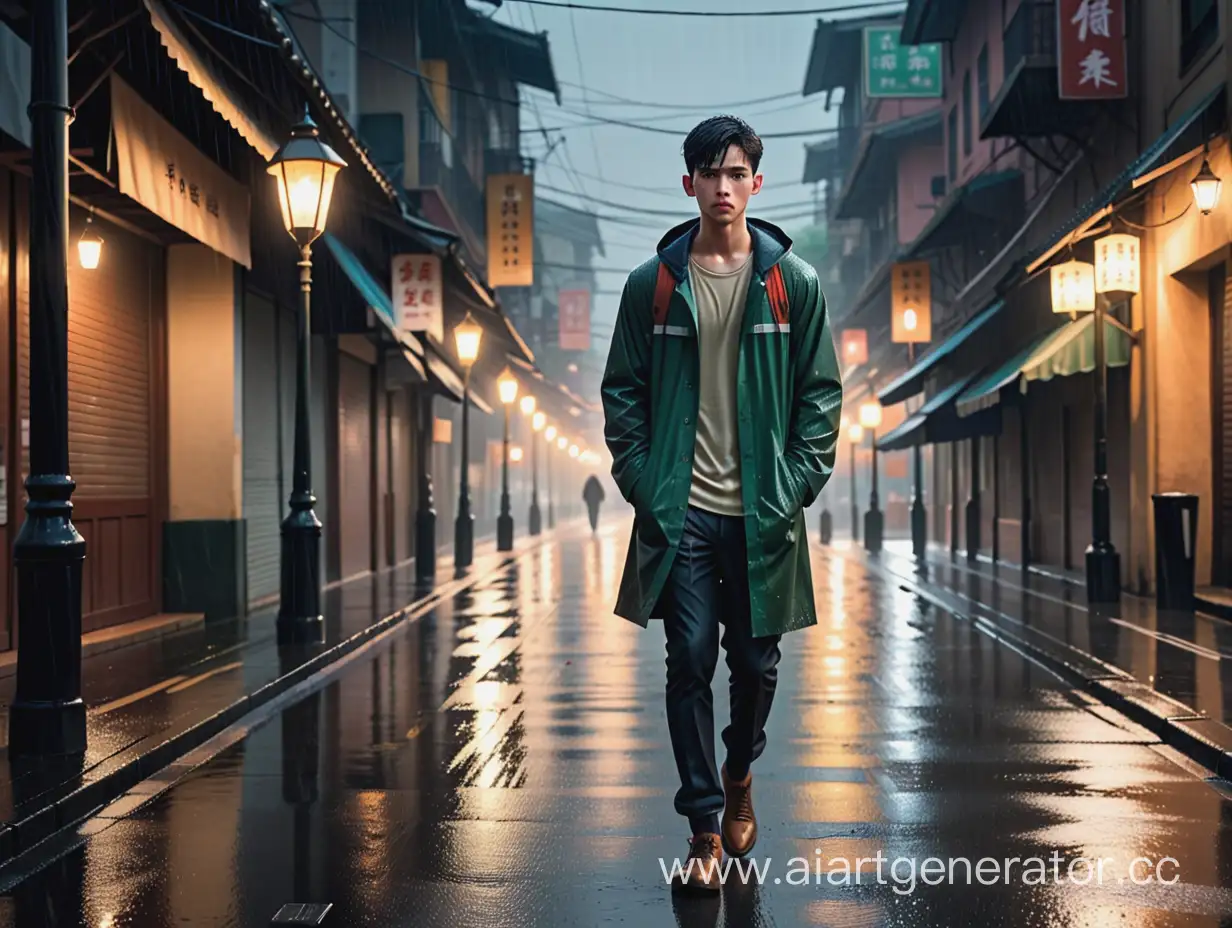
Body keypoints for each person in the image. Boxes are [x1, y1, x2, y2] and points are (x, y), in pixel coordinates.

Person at [600, 116, 843, 893]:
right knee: (690, 659)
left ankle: (739, 768)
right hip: (686, 513)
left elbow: (821, 395)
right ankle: (704, 826)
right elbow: (622, 394)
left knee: (756, 665)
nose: (724, 187)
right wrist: (644, 479)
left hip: (763, 513)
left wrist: (796, 481)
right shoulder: (654, 287)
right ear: (690, 185)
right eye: (710, 174)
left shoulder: (791, 285)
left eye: (737, 173)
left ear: (756, 184)